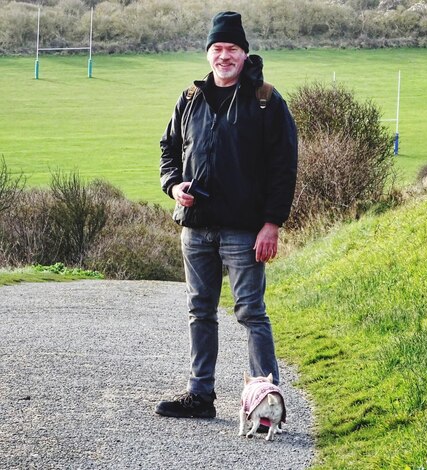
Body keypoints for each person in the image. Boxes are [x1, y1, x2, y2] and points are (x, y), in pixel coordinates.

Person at [156, 11, 298, 419]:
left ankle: (266, 404)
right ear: (208, 54)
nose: (224, 56)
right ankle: (200, 397)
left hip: (245, 231)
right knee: (199, 311)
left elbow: (283, 167)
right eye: (217, 49)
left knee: (251, 312)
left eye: (231, 49)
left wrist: (272, 223)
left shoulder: (266, 100)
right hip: (195, 228)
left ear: (244, 53)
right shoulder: (189, 98)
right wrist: (173, 185)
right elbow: (168, 149)